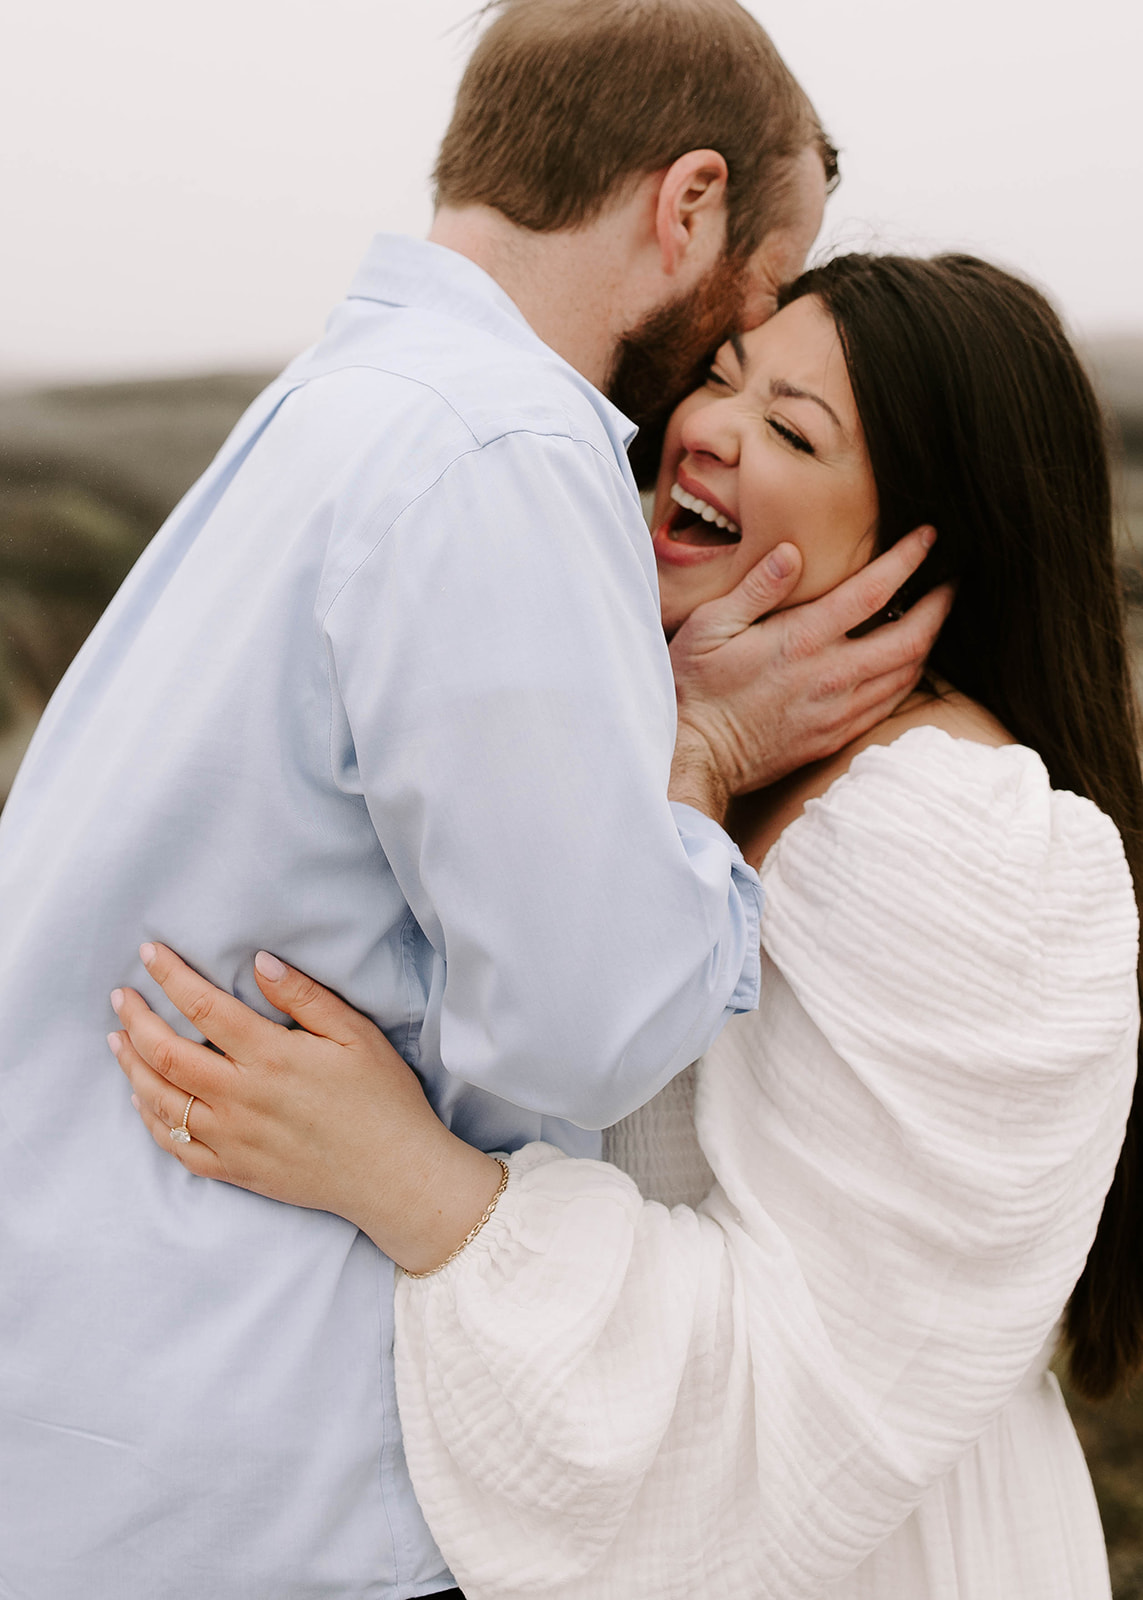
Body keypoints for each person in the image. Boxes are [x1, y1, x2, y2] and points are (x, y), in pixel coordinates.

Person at [0, 5, 946, 1597]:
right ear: (690, 203)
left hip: (100, 1433)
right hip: (259, 1481)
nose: (725, 375)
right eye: (761, 302)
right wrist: (704, 761)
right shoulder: (500, 445)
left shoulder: (340, 407)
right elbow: (581, 1023)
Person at [113, 253, 1143, 1600]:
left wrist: (402, 1175)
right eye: (720, 381)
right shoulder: (703, 739)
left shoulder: (955, 845)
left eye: (792, 432)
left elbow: (808, 1411)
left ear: (929, 543)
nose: (708, 431)